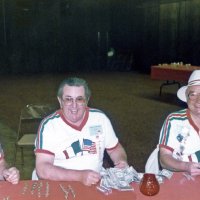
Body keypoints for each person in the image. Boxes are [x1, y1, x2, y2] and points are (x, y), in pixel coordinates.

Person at [35, 77, 128, 186]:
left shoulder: (100, 119)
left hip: (95, 182)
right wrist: (80, 176)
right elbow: (42, 169)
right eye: (68, 99)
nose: (74, 106)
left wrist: (121, 161)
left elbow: (115, 148)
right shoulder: (49, 125)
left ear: (87, 101)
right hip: (58, 185)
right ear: (60, 101)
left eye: (79, 99)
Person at [159, 70, 200, 176]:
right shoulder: (174, 120)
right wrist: (186, 166)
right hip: (177, 176)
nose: (198, 100)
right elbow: (164, 158)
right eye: (193, 94)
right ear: (186, 98)